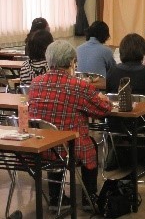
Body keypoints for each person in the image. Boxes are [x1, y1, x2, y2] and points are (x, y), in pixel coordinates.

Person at [28, 40, 112, 211]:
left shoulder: (36, 82)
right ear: (72, 62)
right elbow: (103, 110)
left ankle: (54, 197)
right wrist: (104, 100)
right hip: (70, 148)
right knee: (91, 145)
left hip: (41, 145)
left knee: (54, 139)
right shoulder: (79, 86)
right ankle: (90, 198)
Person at [106, 33, 145, 103]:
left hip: (118, 112)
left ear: (121, 52)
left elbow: (108, 98)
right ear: (143, 53)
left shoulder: (112, 72)